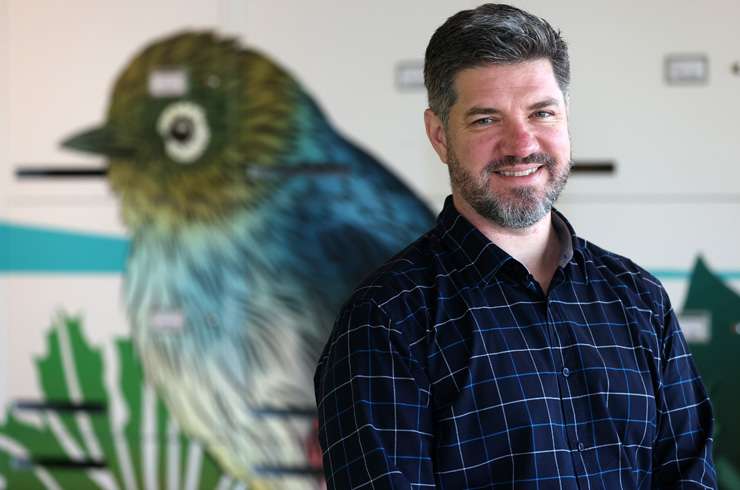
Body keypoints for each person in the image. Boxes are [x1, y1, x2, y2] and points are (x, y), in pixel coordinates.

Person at [314, 4, 716, 489]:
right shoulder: (385, 320)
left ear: (566, 118)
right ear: (440, 136)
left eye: (541, 113)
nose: (521, 144)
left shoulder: (637, 299)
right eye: (486, 120)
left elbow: (691, 476)